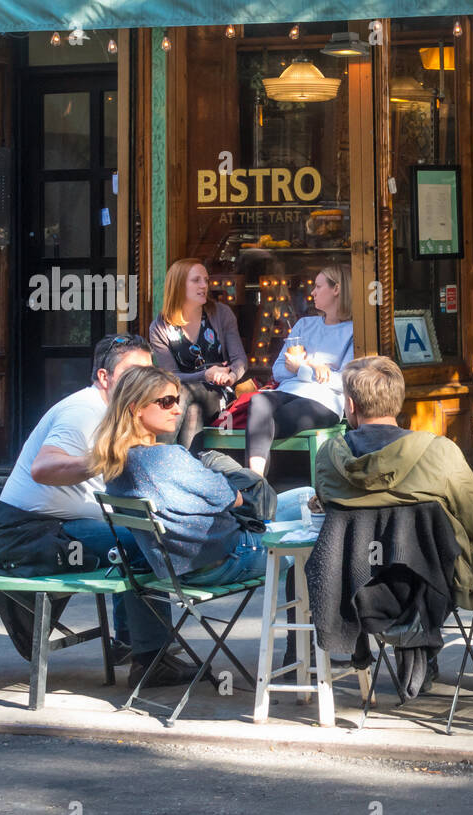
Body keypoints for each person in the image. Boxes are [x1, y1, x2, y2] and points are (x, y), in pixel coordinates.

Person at [314, 356, 473, 674]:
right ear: (398, 401)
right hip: (434, 581)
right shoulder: (437, 450)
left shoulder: (328, 456)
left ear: (351, 406)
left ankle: (427, 651)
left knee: (430, 543)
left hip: (360, 582)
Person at [0, 334, 170, 674]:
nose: (145, 380)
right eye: (133, 372)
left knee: (139, 532)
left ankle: (130, 642)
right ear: (104, 377)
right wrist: (105, 459)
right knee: (145, 542)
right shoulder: (85, 411)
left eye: (149, 371)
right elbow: (44, 468)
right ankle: (154, 661)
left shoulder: (118, 411)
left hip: (54, 526)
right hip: (28, 534)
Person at [90, 365, 274, 687]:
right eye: (165, 402)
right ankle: (305, 659)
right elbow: (234, 499)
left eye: (176, 399)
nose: (177, 407)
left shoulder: (115, 464)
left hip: (170, 566)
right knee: (307, 536)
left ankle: (150, 660)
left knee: (295, 502)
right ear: (135, 408)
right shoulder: (167, 457)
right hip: (223, 561)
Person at [246, 263, 355, 477]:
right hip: (288, 391)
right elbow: (278, 371)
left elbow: (343, 381)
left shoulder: (353, 331)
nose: (312, 292)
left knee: (268, 423)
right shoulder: (304, 325)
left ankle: (254, 485)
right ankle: (255, 480)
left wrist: (301, 368)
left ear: (337, 289)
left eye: (318, 286)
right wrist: (314, 367)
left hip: (324, 401)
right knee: (258, 402)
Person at [148, 258, 247, 452]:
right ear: (178, 285)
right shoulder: (160, 326)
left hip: (218, 395)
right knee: (192, 408)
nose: (204, 286)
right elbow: (170, 375)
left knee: (183, 392)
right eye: (196, 280)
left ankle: (156, 459)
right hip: (182, 397)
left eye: (206, 280)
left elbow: (240, 360)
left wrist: (231, 376)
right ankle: (190, 472)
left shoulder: (221, 313)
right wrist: (205, 374)